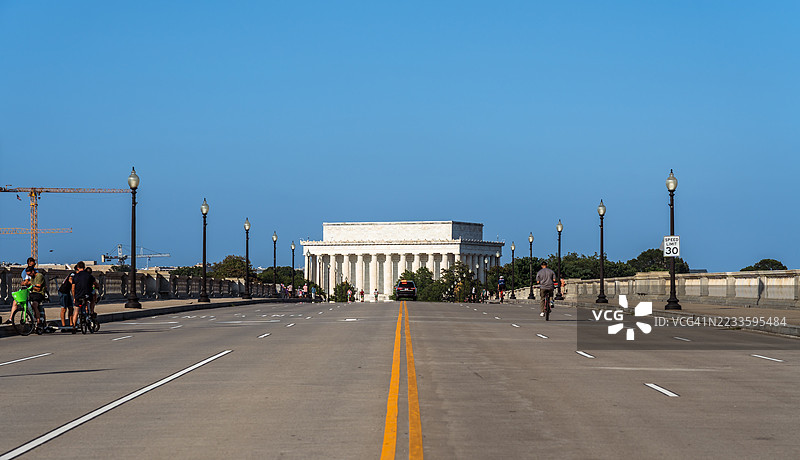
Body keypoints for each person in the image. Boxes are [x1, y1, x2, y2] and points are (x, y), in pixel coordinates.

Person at [71, 261, 98, 329]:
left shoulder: (75, 276)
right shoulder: (89, 276)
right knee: (92, 300)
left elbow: (73, 289)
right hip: (87, 295)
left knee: (76, 311)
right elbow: (95, 284)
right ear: (84, 267)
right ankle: (91, 312)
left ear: (77, 268)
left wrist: (74, 297)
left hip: (78, 295)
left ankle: (74, 327)